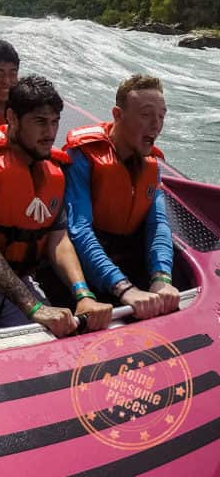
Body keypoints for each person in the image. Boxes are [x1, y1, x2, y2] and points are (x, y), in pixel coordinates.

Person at [0, 76, 113, 335]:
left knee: (56, 339)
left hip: (22, 283)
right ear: (13, 118)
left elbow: (58, 241)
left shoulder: (55, 168)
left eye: (54, 123)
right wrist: (33, 307)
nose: (50, 133)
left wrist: (83, 295)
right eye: (40, 122)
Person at [64, 75, 179, 317]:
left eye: (162, 116)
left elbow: (158, 223)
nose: (156, 124)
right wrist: (123, 287)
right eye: (147, 114)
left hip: (127, 255)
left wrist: (161, 277)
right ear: (118, 115)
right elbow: (79, 229)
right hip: (89, 265)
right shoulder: (82, 157)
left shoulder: (151, 165)